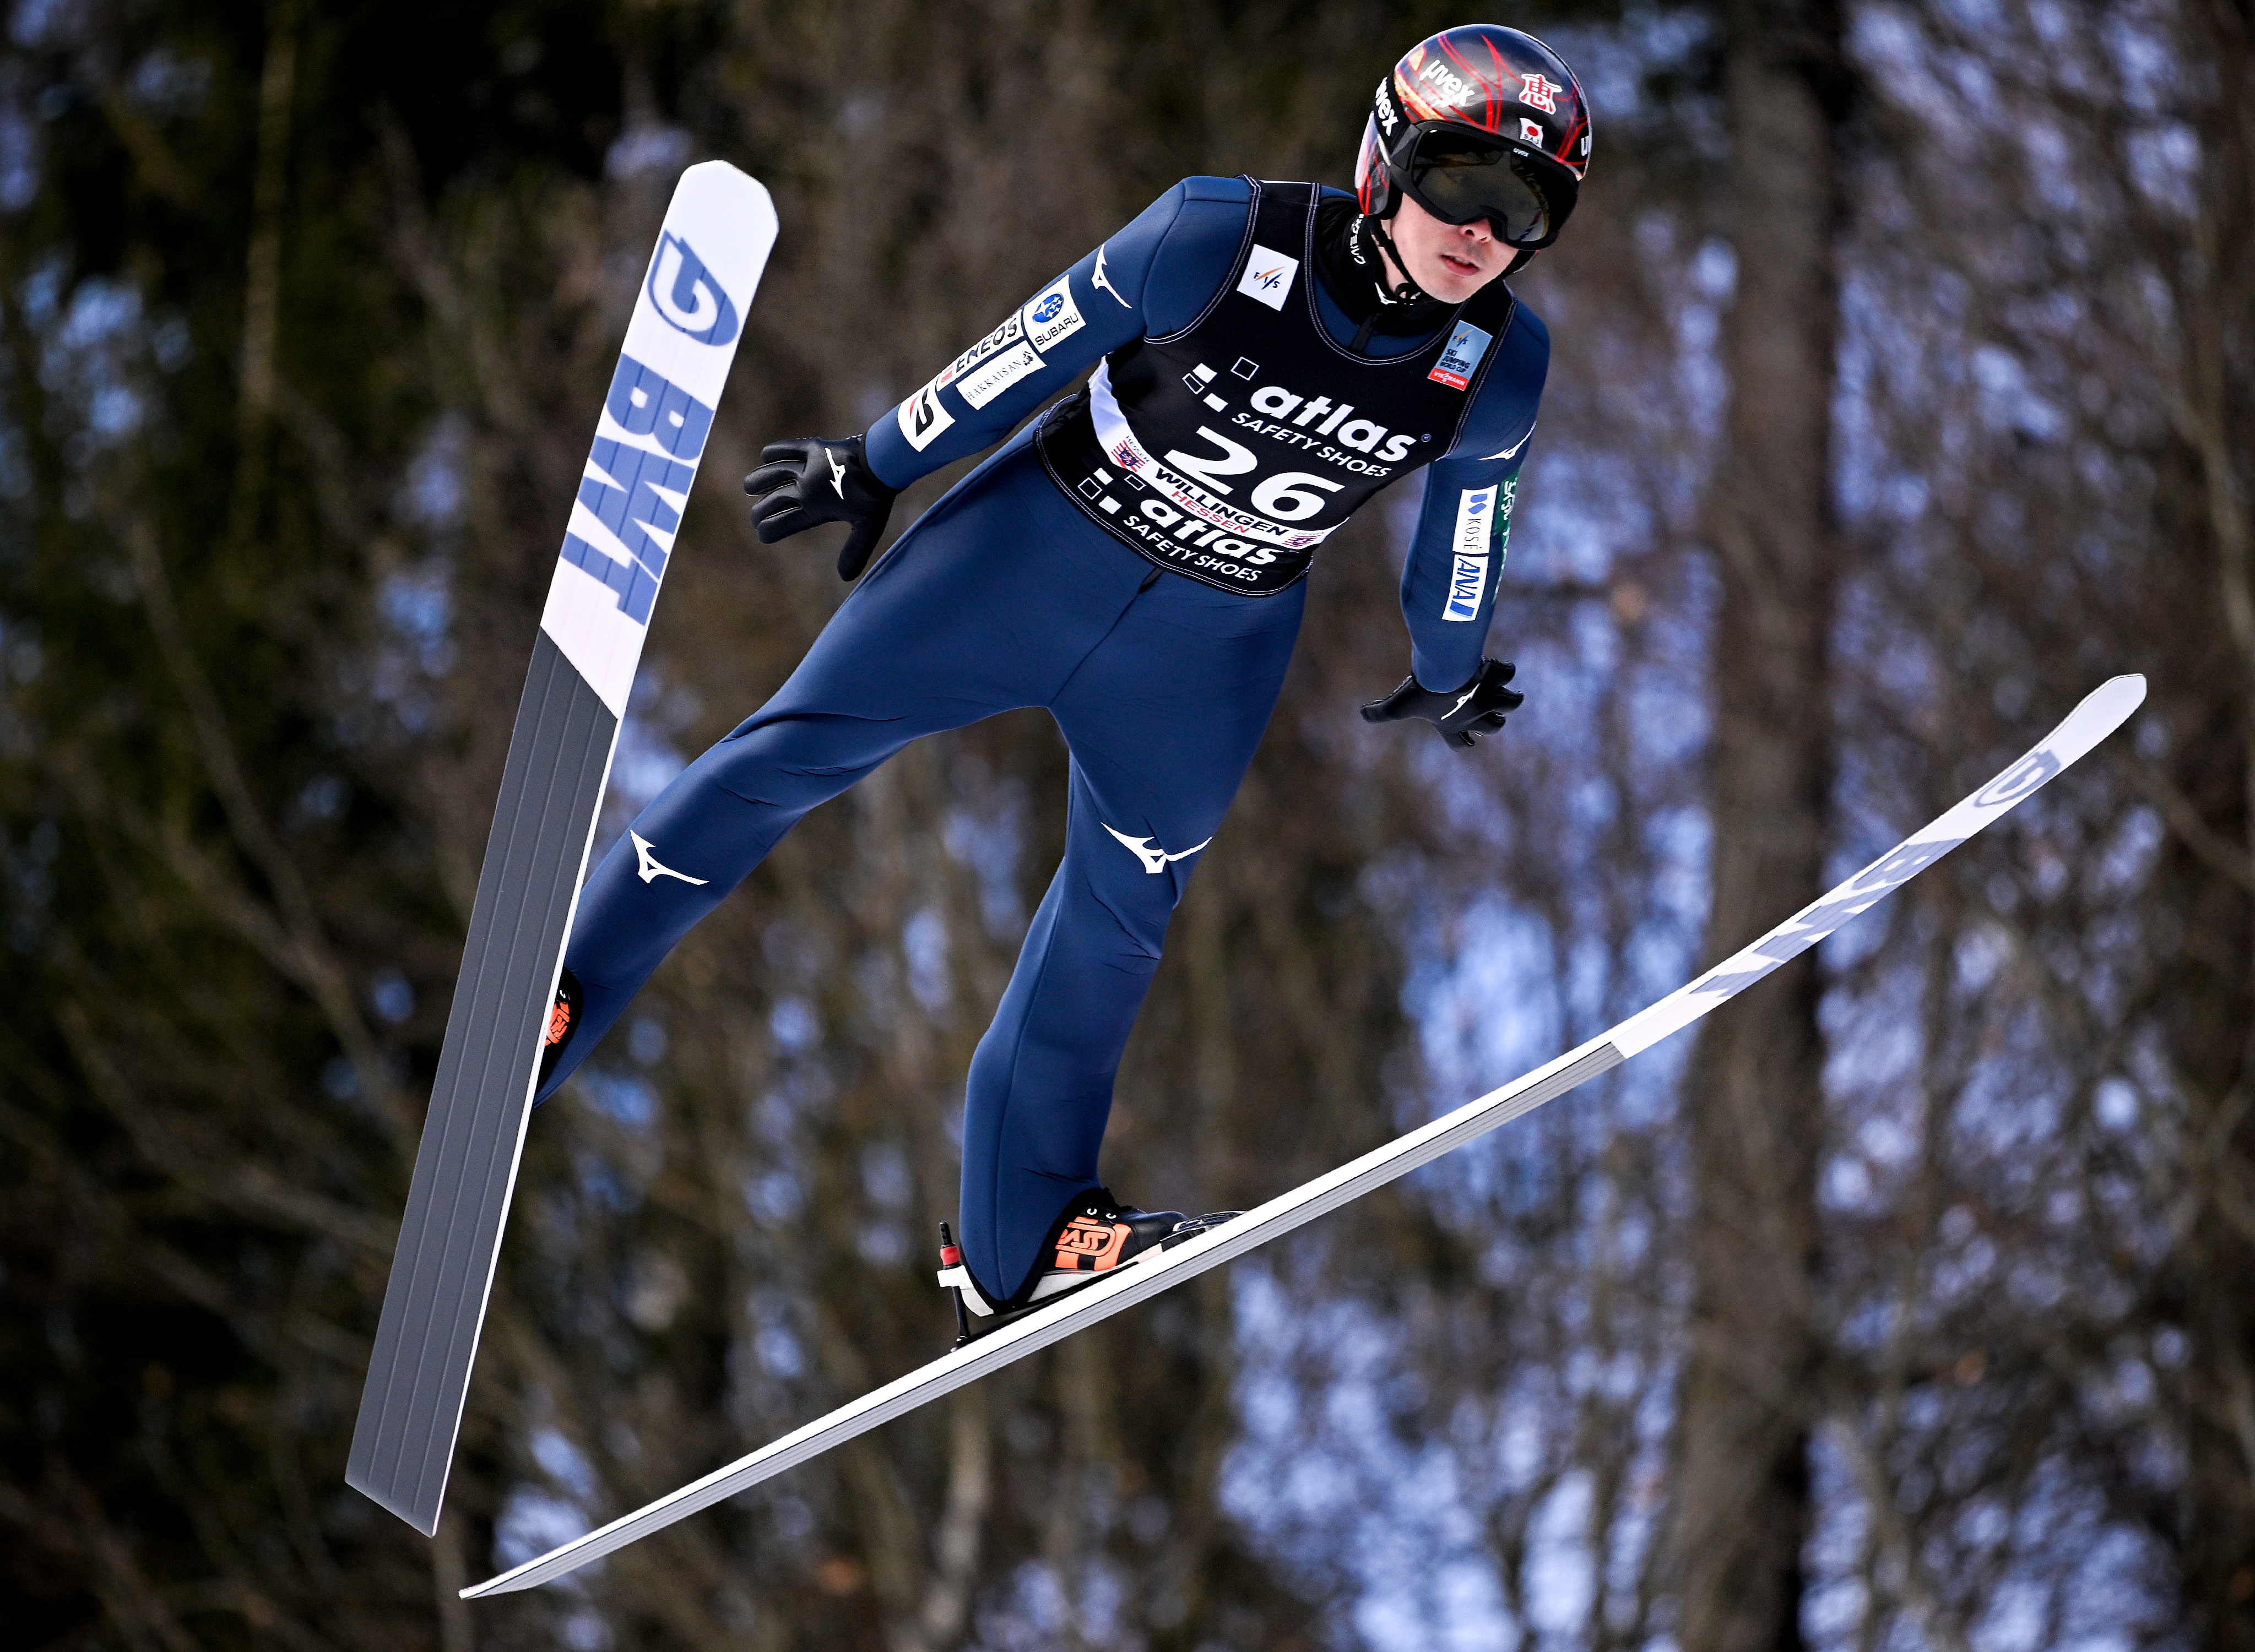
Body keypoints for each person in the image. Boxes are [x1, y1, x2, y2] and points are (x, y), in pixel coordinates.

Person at [536, 24, 1592, 1323]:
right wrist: (874, 464)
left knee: (1117, 923)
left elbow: (1469, 532)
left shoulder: (1498, 364)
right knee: (789, 754)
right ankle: (564, 990)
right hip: (1032, 551)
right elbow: (1036, 343)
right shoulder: (1222, 236)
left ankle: (1017, 1238)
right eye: (1458, 182)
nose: (1479, 231)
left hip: (1208, 648)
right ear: (1386, 159)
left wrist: (1446, 668)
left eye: (1523, 209)